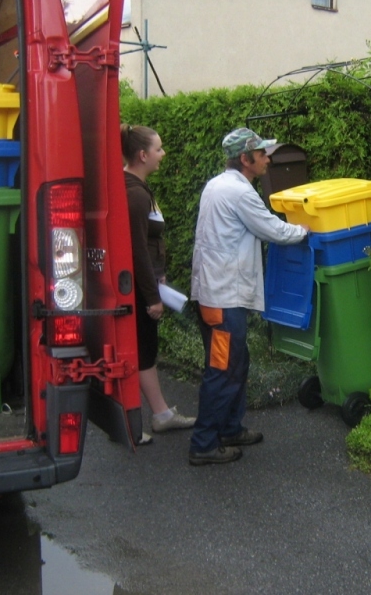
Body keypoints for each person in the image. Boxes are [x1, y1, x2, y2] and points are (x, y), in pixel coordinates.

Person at [188, 128, 310, 465]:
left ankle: (229, 428)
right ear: (246, 159)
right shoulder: (238, 193)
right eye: (262, 154)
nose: (268, 159)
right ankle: (203, 444)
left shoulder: (219, 185)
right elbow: (271, 229)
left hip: (219, 294)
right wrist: (306, 231)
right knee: (223, 369)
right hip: (223, 299)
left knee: (236, 364)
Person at [121, 123, 196, 445]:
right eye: (158, 149)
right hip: (139, 288)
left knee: (141, 351)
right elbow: (135, 249)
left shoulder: (134, 187)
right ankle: (138, 420)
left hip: (146, 282)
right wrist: (152, 296)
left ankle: (156, 415)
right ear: (142, 154)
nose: (163, 154)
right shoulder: (135, 195)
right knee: (140, 351)